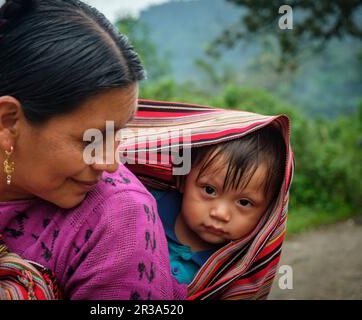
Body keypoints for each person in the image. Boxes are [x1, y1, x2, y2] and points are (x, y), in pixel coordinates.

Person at [0, 0, 186, 300]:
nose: (109, 162)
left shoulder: (118, 219)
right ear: (8, 121)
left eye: (117, 132)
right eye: (90, 140)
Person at [122, 100, 294, 299]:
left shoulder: (234, 270)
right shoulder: (142, 206)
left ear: (268, 213)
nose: (220, 213)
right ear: (182, 179)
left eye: (244, 202)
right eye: (209, 190)